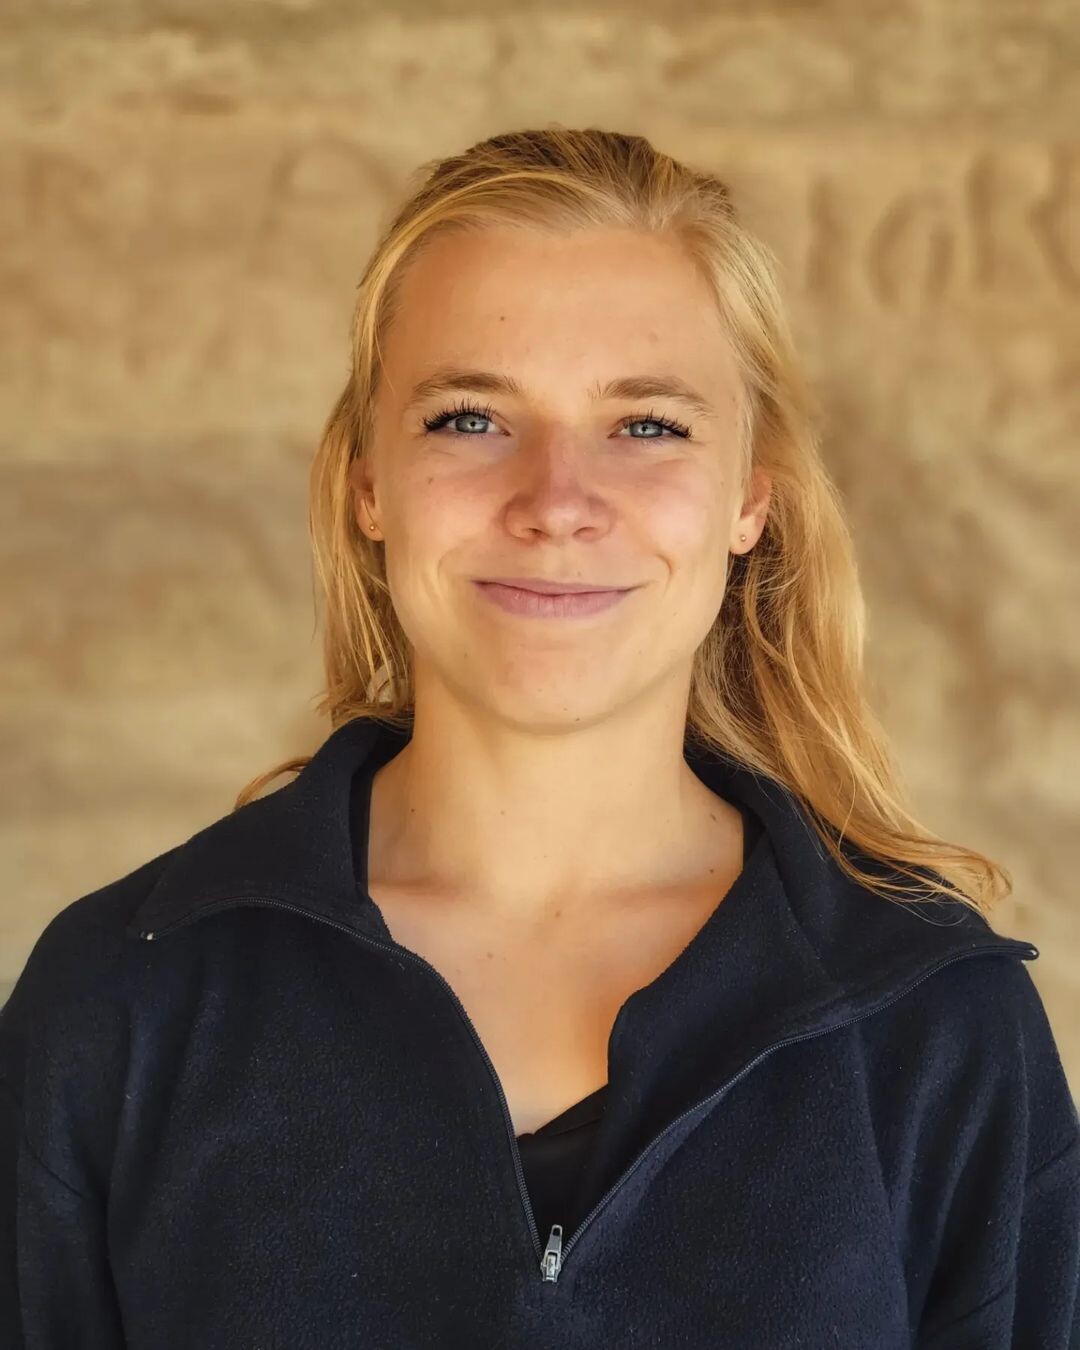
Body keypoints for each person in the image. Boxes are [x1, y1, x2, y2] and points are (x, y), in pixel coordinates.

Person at [2, 127, 1077, 1348]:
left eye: (647, 425)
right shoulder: (124, 999)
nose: (557, 501)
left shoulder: (938, 1028)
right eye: (469, 418)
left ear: (749, 497)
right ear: (367, 483)